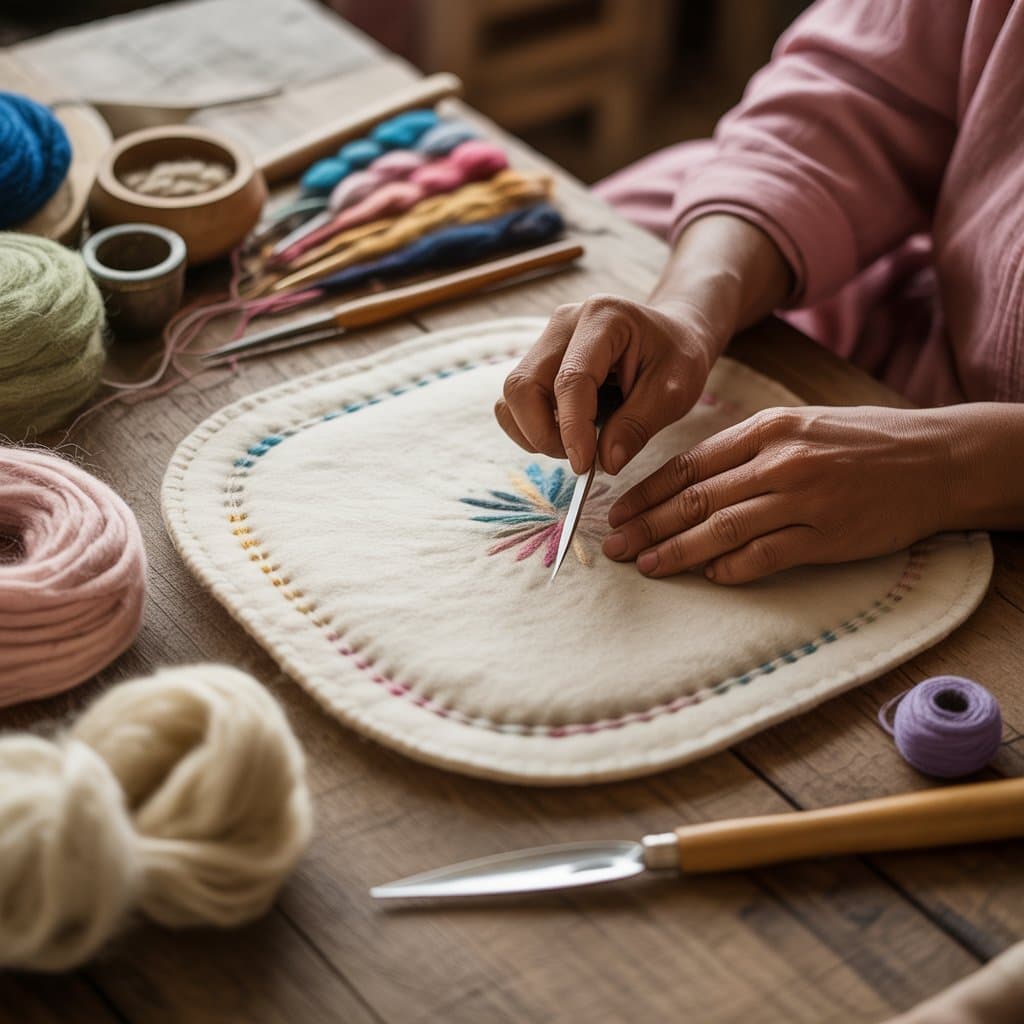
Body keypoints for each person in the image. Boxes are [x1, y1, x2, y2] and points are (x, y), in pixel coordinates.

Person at [495, 0, 1024, 585]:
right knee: (623, 240)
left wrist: (951, 466)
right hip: (927, 309)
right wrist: (689, 309)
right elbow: (854, 92)